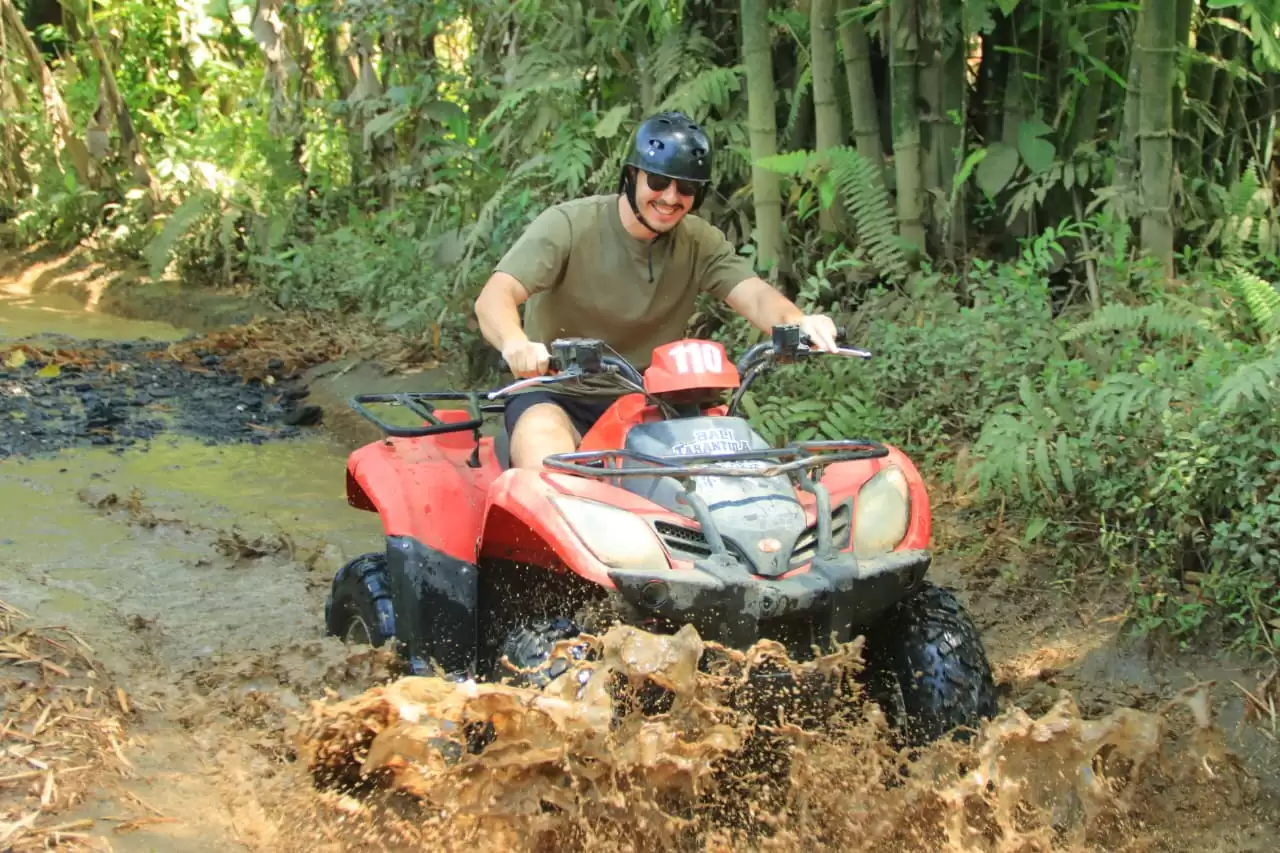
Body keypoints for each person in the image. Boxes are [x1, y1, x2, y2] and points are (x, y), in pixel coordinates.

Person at [473, 110, 839, 470]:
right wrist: (515, 343)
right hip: (558, 392)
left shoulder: (699, 241)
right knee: (544, 456)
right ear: (632, 176)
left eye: (687, 188)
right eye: (659, 182)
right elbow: (495, 296)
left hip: (651, 401)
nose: (670, 197)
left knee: (731, 474)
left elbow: (755, 295)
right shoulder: (570, 225)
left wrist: (797, 321)